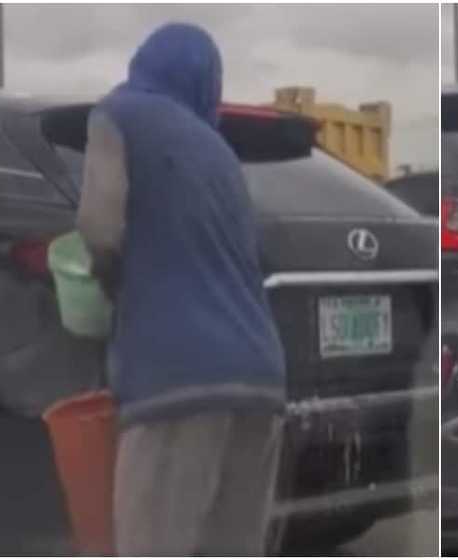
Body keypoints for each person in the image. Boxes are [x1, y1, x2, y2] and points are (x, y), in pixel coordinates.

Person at [76, 23, 287, 555]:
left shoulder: (118, 115)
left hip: (176, 384)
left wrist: (107, 283)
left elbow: (100, 227)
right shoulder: (220, 152)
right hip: (261, 381)